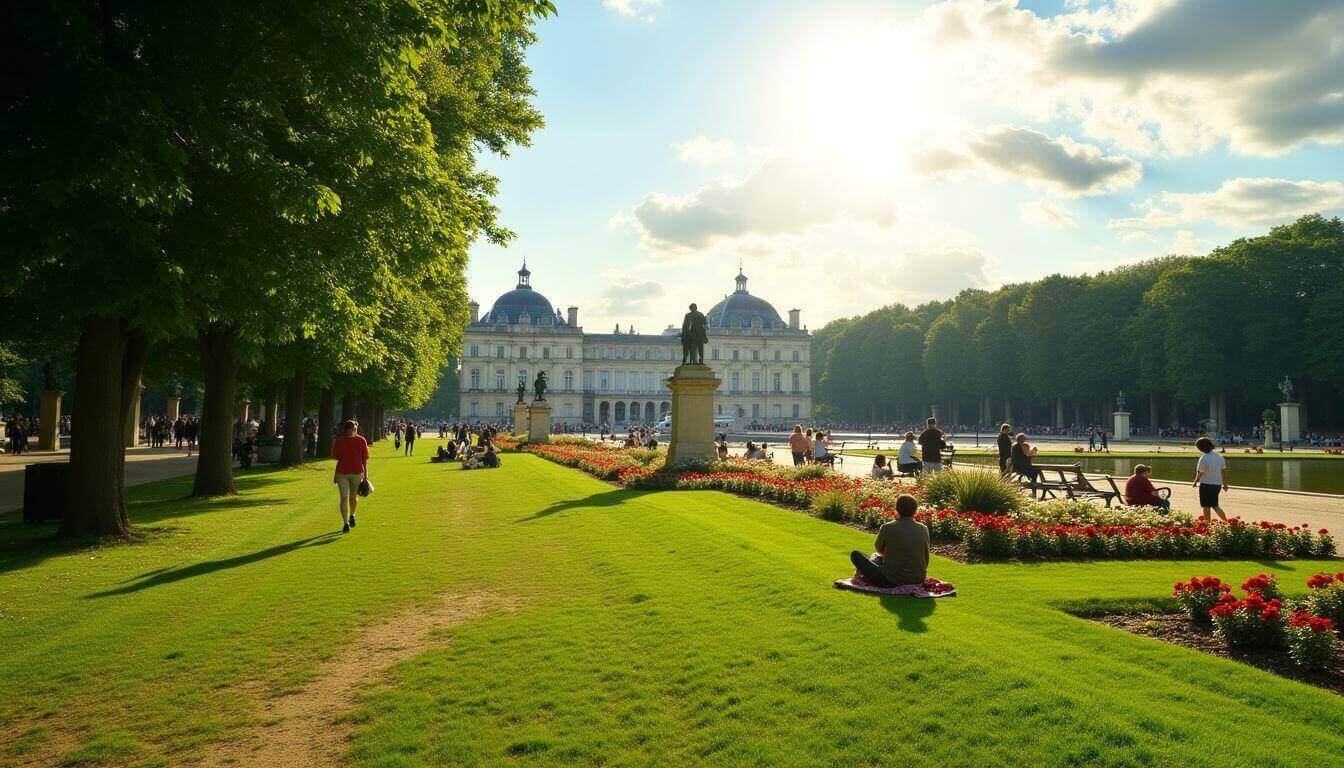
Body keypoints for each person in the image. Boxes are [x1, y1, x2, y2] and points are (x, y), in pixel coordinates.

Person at [849, 494, 929, 587]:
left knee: (856, 555)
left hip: (890, 580)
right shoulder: (923, 529)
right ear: (915, 510)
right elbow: (926, 556)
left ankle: (860, 573)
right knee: (877, 557)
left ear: (897, 509)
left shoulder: (888, 527)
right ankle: (867, 568)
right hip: (918, 579)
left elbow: (879, 549)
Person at [330, 419, 369, 533]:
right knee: (344, 497)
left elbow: (364, 459)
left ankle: (352, 514)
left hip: (357, 472)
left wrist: (365, 475)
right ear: (346, 430)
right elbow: (335, 456)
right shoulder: (340, 441)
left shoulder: (361, 440)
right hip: (342, 473)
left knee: (353, 497)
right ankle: (345, 523)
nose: (355, 431)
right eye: (353, 429)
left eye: (356, 429)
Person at [1192, 436, 1228, 522]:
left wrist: (1195, 481)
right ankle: (1226, 521)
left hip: (1206, 484)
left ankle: (1207, 524)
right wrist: (1225, 484)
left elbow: (1201, 472)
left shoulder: (1204, 458)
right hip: (1217, 484)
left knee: (1206, 506)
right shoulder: (1220, 457)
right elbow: (1223, 472)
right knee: (1215, 505)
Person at [1010, 433, 1044, 497]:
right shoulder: (1021, 445)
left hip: (1016, 466)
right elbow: (1027, 454)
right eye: (1024, 438)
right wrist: (1033, 451)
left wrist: (1030, 451)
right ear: (1022, 439)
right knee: (1036, 471)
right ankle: (1033, 487)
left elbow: (1025, 453)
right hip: (1023, 467)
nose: (1025, 440)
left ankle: (1031, 483)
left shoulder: (1014, 445)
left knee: (1035, 471)